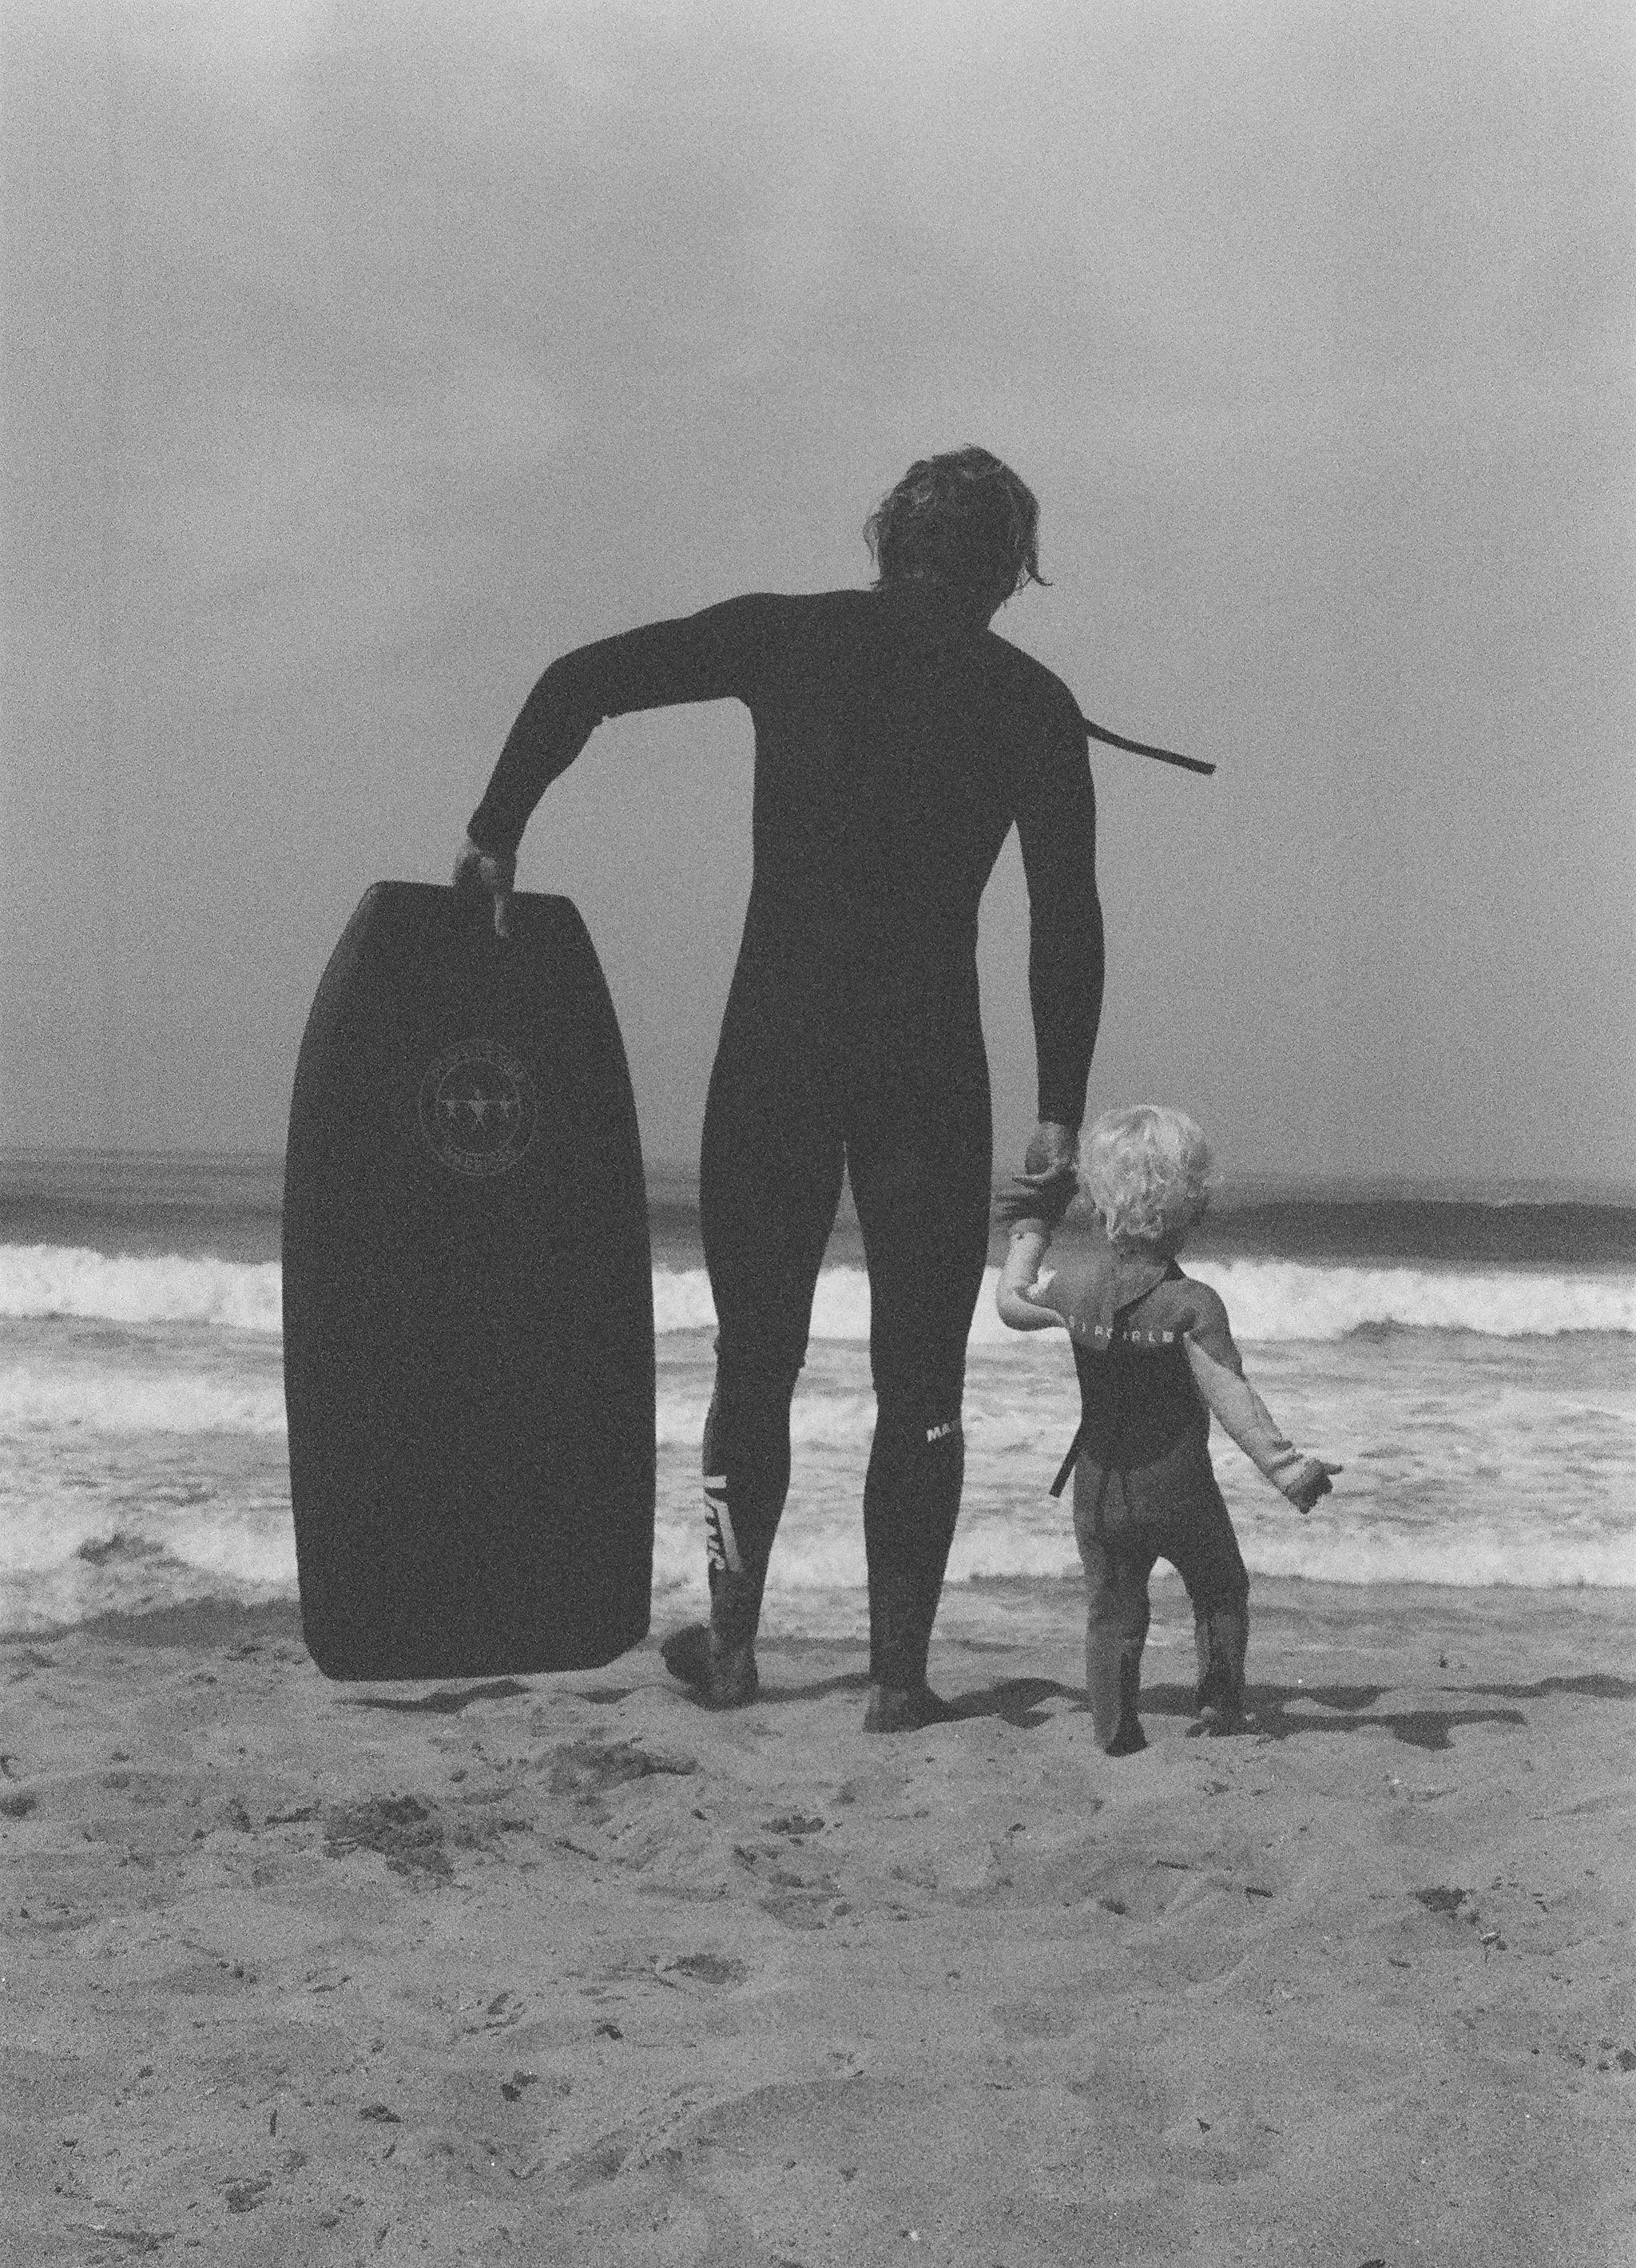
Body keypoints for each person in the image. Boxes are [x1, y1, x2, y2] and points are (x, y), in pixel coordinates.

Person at [455, 447, 1102, 1732]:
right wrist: (1058, 1109)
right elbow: (1063, 920)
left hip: (776, 1053)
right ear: (1006, 570)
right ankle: (902, 1678)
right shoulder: (1032, 701)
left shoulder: (785, 638)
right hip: (930, 1066)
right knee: (925, 1385)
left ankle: (737, 1649)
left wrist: (496, 827)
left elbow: (576, 681)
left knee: (754, 1367)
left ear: (883, 543)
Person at [995, 1104, 1340, 1750]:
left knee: (1113, 1609)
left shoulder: (1073, 1286)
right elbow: (1230, 1394)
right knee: (1219, 1589)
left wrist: (1030, 1227)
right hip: (1178, 1485)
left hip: (1098, 1487)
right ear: (1190, 1209)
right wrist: (1290, 1470)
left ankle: (1115, 1727)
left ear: (1099, 1205)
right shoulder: (1192, 1304)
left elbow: (1012, 1304)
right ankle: (1217, 1706)